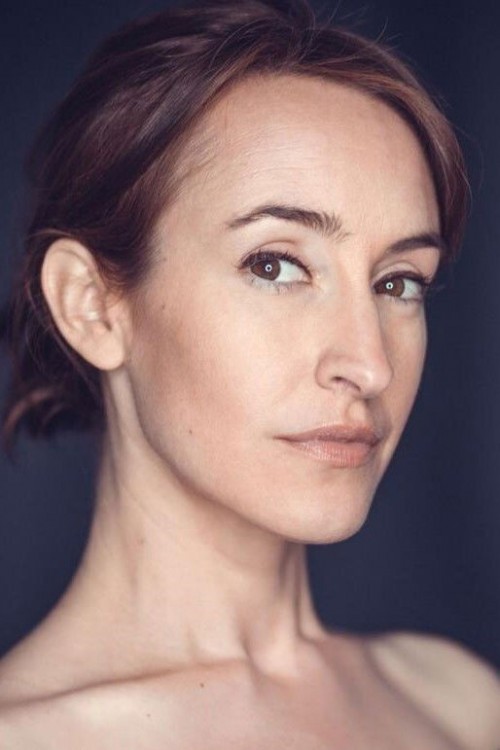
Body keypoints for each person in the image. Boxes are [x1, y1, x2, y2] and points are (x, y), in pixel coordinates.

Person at [0, 0, 498, 746]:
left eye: (398, 282)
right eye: (275, 265)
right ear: (92, 305)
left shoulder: (459, 704)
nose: (369, 364)